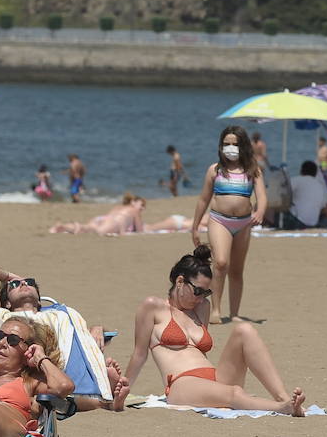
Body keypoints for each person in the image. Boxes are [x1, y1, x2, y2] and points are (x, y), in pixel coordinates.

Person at [123, 246, 306, 415]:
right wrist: (122, 391)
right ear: (180, 282)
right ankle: (282, 408)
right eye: (198, 291)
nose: (201, 298)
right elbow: (139, 355)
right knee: (234, 392)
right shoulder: (153, 307)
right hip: (182, 383)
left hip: (213, 378)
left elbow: (200, 353)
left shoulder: (202, 307)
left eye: (206, 293)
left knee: (244, 330)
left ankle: (282, 397)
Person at [0, 262, 122, 406]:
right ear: (7, 302)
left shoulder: (59, 315)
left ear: (38, 299)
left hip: (55, 368)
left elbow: (78, 338)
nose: (24, 284)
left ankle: (108, 397)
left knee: (63, 391)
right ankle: (108, 400)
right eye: (14, 285)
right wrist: (10, 277)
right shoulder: (0, 314)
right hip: (24, 371)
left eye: (30, 283)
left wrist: (96, 329)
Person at [188, 126, 266, 323]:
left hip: (243, 223)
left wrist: (260, 212)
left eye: (235, 144)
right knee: (221, 263)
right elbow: (203, 200)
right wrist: (195, 226)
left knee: (237, 270)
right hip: (219, 220)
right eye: (227, 144)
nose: (230, 148)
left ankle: (234, 313)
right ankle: (215, 310)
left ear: (243, 146)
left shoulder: (253, 170)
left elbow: (262, 197)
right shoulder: (215, 170)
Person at [49, 194, 189, 236]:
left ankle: (63, 227)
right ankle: (69, 227)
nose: (142, 208)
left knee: (90, 227)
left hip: (104, 218)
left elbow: (106, 216)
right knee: (95, 231)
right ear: (134, 202)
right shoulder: (134, 211)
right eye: (141, 205)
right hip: (115, 222)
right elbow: (140, 230)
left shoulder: (119, 206)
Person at [286, 161, 327, 229]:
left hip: (296, 221)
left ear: (301, 171)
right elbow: (325, 208)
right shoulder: (320, 186)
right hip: (312, 223)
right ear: (315, 173)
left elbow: (283, 191)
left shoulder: (297, 180)